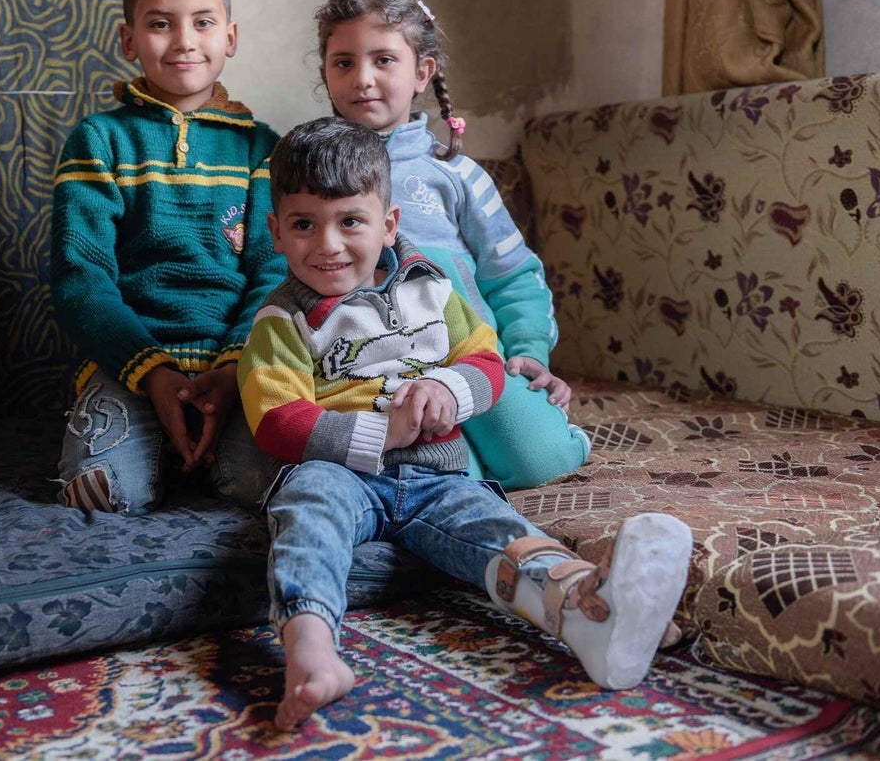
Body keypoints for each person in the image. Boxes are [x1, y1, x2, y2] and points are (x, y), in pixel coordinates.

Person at [238, 117, 692, 731]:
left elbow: (483, 359)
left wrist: (449, 389)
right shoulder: (282, 321)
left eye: (350, 221)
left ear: (389, 224)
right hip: (337, 472)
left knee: (497, 528)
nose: (328, 245)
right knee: (304, 517)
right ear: (275, 232)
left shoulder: (431, 289)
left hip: (437, 474)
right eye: (303, 225)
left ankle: (589, 607)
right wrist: (381, 434)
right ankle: (312, 653)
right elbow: (276, 418)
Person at [312, 0, 591, 489]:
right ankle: (451, 468)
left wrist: (527, 347)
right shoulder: (309, 176)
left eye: (384, 60)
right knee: (435, 469)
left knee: (541, 458)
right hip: (367, 372)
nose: (363, 78)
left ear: (423, 72)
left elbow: (513, 275)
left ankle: (516, 444)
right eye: (344, 62)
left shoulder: (456, 175)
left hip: (470, 359)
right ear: (326, 74)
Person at [50, 0, 284, 515]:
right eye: (160, 24)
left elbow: (275, 272)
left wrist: (234, 365)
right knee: (102, 491)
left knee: (272, 485)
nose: (183, 41)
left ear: (229, 36)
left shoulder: (264, 149)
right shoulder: (99, 141)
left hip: (237, 366)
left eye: (203, 23)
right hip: (129, 365)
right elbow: (82, 278)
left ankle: (199, 453)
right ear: (129, 39)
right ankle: (148, 450)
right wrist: (151, 372)